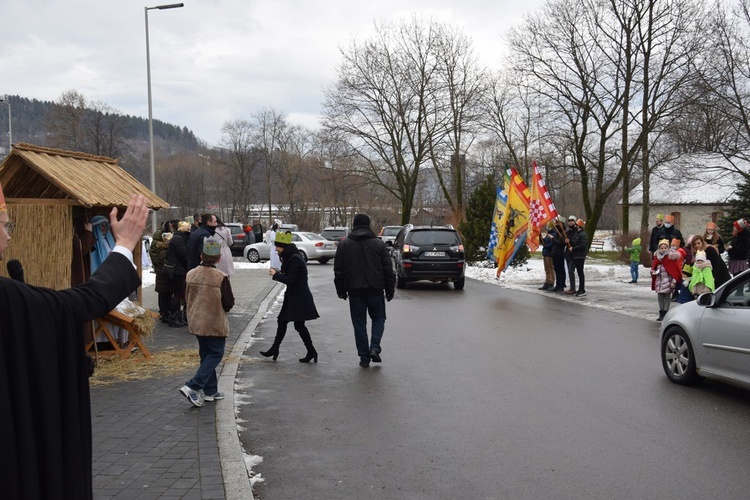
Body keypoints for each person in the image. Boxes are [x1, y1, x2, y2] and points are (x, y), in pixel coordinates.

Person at [0, 189, 147, 500]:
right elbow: (81, 302)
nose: (8, 236)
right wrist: (124, 246)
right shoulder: (9, 300)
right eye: (5, 225)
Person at [333, 213, 396, 367]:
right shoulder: (378, 244)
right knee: (379, 319)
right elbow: (388, 269)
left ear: (354, 225)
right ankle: (374, 347)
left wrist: (341, 290)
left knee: (359, 324)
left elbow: (338, 271)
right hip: (375, 289)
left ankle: (364, 357)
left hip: (354, 291)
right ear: (368, 225)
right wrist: (390, 289)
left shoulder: (344, 245)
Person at [180, 237, 235, 407]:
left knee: (206, 354)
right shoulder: (220, 277)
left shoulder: (191, 273)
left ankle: (210, 390)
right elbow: (229, 302)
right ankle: (193, 386)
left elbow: (184, 296)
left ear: (201, 256)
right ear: (218, 258)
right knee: (216, 353)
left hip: (196, 320)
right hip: (214, 321)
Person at [259, 231, 319, 363]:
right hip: (294, 296)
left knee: (296, 324)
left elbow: (291, 280)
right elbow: (291, 276)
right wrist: (280, 273)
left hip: (299, 298)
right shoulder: (291, 257)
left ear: (284, 247)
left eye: (278, 247)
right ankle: (279, 348)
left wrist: (276, 274)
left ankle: (310, 351)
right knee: (285, 322)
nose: (276, 249)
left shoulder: (295, 259)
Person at [166, 220, 190, 327]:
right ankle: (174, 317)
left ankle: (175, 316)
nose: (190, 231)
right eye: (188, 229)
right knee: (177, 294)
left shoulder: (177, 238)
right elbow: (183, 255)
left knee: (177, 294)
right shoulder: (179, 239)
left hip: (176, 269)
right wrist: (188, 265)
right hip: (177, 270)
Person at [651, 238, 682, 321]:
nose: (663, 249)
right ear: (659, 248)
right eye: (661, 248)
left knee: (667, 298)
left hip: (668, 282)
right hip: (659, 282)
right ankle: (661, 313)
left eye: (665, 248)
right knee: (660, 297)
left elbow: (674, 272)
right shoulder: (657, 258)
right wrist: (653, 271)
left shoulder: (670, 258)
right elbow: (653, 267)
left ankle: (666, 313)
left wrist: (673, 282)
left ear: (668, 248)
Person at [149, 221, 174, 323]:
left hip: (165, 267)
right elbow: (153, 251)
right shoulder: (159, 235)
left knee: (167, 291)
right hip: (162, 267)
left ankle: (166, 311)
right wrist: (158, 264)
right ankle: (164, 312)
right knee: (163, 291)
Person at [570, 218, 589, 296]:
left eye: (576, 225)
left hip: (580, 256)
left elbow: (582, 245)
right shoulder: (577, 234)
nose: (575, 227)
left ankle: (582, 289)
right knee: (579, 272)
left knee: (580, 273)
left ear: (579, 226)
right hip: (576, 255)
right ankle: (580, 289)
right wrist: (569, 242)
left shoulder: (583, 234)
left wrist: (573, 248)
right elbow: (574, 242)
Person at [549, 218, 567, 292]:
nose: (556, 225)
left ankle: (561, 285)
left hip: (560, 253)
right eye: (556, 223)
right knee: (556, 270)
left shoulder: (564, 233)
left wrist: (553, 238)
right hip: (555, 253)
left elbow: (560, 243)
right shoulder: (557, 232)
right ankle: (557, 284)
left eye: (558, 223)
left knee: (561, 270)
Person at [538, 222, 555, 290]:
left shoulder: (553, 234)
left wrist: (546, 246)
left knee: (550, 268)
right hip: (545, 253)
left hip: (549, 254)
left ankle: (551, 282)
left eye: (548, 226)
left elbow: (552, 244)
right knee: (546, 269)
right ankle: (547, 281)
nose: (547, 227)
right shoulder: (548, 234)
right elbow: (544, 241)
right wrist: (540, 236)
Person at [563, 215, 578, 294]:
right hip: (568, 253)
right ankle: (572, 287)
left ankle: (573, 288)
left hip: (574, 253)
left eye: (572, 221)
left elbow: (576, 240)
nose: (570, 222)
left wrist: (570, 241)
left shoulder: (576, 231)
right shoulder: (568, 231)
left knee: (571, 270)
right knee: (569, 271)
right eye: (569, 221)